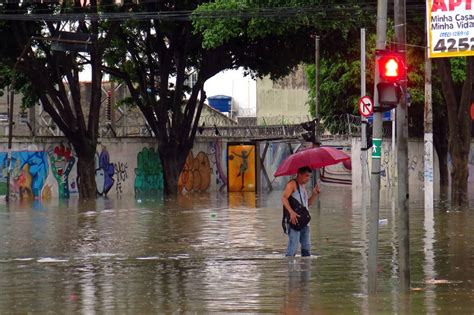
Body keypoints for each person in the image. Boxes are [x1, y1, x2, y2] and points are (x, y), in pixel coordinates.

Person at [281, 166, 320, 257]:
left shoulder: (303, 186)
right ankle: (290, 268)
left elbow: (307, 204)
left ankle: (305, 269)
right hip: (294, 220)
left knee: (306, 248)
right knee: (293, 247)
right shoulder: (292, 184)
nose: (308, 179)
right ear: (299, 175)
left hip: (304, 221)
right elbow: (283, 198)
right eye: (306, 176)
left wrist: (314, 194)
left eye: (309, 176)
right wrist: (291, 212)